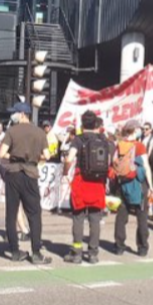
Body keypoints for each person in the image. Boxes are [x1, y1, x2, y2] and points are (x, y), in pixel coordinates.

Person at [0, 103, 51, 264]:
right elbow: (47, 155)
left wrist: (14, 156)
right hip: (30, 174)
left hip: (13, 173)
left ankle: (15, 251)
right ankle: (36, 253)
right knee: (34, 214)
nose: (12, 115)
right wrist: (34, 157)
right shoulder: (39, 132)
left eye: (14, 112)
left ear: (22, 114)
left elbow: (1, 153)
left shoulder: (12, 131)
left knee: (11, 213)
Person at [63, 111, 112, 264]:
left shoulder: (78, 139)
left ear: (82, 123)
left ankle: (77, 253)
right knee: (95, 219)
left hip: (81, 181)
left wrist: (65, 171)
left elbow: (69, 159)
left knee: (78, 218)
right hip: (97, 183)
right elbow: (108, 161)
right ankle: (93, 253)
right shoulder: (103, 140)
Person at [112, 121, 153, 256]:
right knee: (142, 217)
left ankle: (119, 246)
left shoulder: (119, 145)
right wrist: (151, 186)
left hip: (122, 184)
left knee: (121, 216)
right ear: (135, 131)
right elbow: (146, 166)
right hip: (138, 184)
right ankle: (142, 247)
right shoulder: (139, 146)